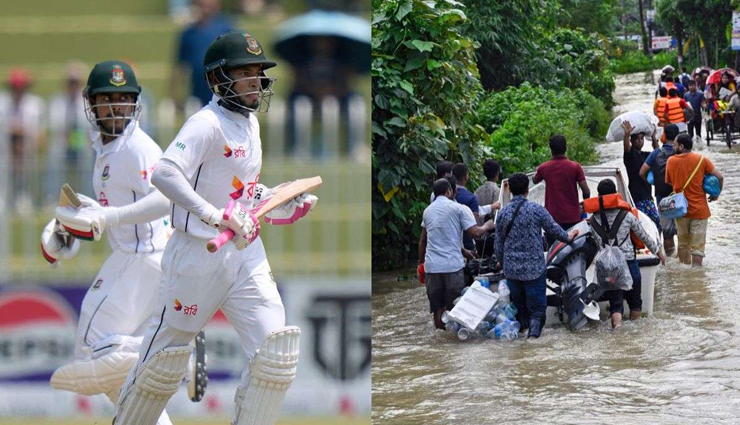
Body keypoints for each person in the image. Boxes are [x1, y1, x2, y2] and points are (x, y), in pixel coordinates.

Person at [114, 32, 315, 425]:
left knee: (276, 355)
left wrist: (277, 200)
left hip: (246, 256)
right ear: (218, 79)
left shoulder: (250, 125)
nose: (256, 81)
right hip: (196, 256)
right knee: (162, 368)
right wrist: (215, 216)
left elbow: (241, 192)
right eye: (245, 72)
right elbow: (165, 174)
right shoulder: (205, 124)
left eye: (258, 72)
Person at [46, 61, 174, 425]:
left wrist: (108, 217)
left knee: (89, 349)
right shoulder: (106, 148)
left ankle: (158, 352)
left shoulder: (138, 148)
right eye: (108, 99)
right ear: (91, 104)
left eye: (124, 98)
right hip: (135, 255)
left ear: (135, 103)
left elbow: (165, 199)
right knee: (112, 368)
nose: (117, 106)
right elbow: (111, 208)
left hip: (145, 255)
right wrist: (76, 220)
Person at [494, 173, 579, 338]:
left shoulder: (503, 214)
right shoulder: (536, 210)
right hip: (534, 270)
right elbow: (554, 230)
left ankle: (522, 336)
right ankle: (533, 341)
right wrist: (569, 237)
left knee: (519, 308)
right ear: (527, 190)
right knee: (537, 310)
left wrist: (503, 264)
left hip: (512, 271)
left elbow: (498, 245)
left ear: (510, 189)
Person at [418, 177, 494, 329]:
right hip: (452, 267)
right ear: (449, 192)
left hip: (432, 268)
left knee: (438, 308)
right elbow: (475, 233)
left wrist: (421, 264)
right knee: (455, 307)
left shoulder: (427, 211)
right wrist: (487, 225)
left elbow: (424, 240)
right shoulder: (459, 208)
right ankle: (454, 343)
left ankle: (441, 339)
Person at [589, 180, 665, 328]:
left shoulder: (593, 220)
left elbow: (597, 245)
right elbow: (643, 235)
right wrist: (658, 252)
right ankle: (635, 334)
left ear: (599, 196)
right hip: (629, 264)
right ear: (615, 195)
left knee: (615, 304)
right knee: (635, 302)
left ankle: (617, 330)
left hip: (608, 267)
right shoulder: (627, 215)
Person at [665, 134, 724, 266]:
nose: (673, 147)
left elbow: (670, 182)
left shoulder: (671, 161)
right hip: (700, 210)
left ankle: (686, 275)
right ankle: (697, 275)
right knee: (697, 247)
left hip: (681, 210)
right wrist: (716, 194)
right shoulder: (702, 160)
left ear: (681, 146)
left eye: (675, 144)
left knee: (683, 243)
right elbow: (720, 177)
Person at [171, 0, 233, 108]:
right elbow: (180, 66)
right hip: (197, 90)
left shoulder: (227, 29)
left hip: (223, 89)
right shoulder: (188, 33)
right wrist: (174, 94)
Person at [46, 61, 92, 204]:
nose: (73, 86)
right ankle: (52, 197)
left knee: (87, 161)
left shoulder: (87, 102)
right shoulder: (57, 102)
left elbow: (90, 125)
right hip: (62, 142)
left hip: (82, 143)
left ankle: (87, 197)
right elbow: (54, 126)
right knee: (54, 158)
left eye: (76, 82)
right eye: (70, 82)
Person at [0, 67, 45, 212]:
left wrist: (27, 142)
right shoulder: (2, 103)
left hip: (27, 146)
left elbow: (40, 132)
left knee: (25, 172)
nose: (18, 91)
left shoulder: (35, 105)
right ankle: (4, 198)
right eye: (15, 87)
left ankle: (23, 198)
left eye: (21, 87)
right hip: (5, 147)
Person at [533, 134, 590, 247]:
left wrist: (537, 172)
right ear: (566, 148)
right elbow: (586, 191)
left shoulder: (544, 168)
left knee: (553, 252)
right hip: (573, 217)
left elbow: (535, 180)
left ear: (551, 150)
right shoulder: (575, 167)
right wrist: (583, 206)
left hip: (551, 219)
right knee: (574, 251)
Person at [640, 124, 680, 256]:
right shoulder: (681, 152)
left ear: (664, 136)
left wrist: (653, 182)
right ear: (677, 137)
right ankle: (683, 260)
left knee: (667, 234)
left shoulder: (656, 153)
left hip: (662, 198)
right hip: (681, 197)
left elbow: (642, 172)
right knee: (683, 232)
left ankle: (671, 261)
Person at [621, 120, 661, 233]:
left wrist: (653, 137)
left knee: (657, 224)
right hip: (636, 197)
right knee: (640, 227)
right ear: (632, 141)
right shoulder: (630, 155)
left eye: (641, 138)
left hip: (648, 196)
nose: (639, 141)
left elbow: (658, 154)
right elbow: (626, 148)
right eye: (637, 138)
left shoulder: (646, 156)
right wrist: (627, 134)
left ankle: (656, 247)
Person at [452, 163, 499, 254]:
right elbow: (474, 221)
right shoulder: (496, 191)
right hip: (474, 237)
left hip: (457, 243)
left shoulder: (477, 190)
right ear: (466, 176)